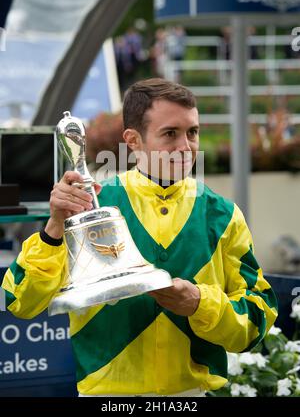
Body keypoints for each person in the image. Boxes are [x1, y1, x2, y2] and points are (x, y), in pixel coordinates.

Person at [2, 78, 278, 397]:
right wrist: (53, 229)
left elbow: (257, 322)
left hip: (192, 395)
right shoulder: (91, 202)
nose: (186, 147)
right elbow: (20, 302)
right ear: (133, 140)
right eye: (170, 134)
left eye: (193, 132)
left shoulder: (224, 215)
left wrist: (201, 305)